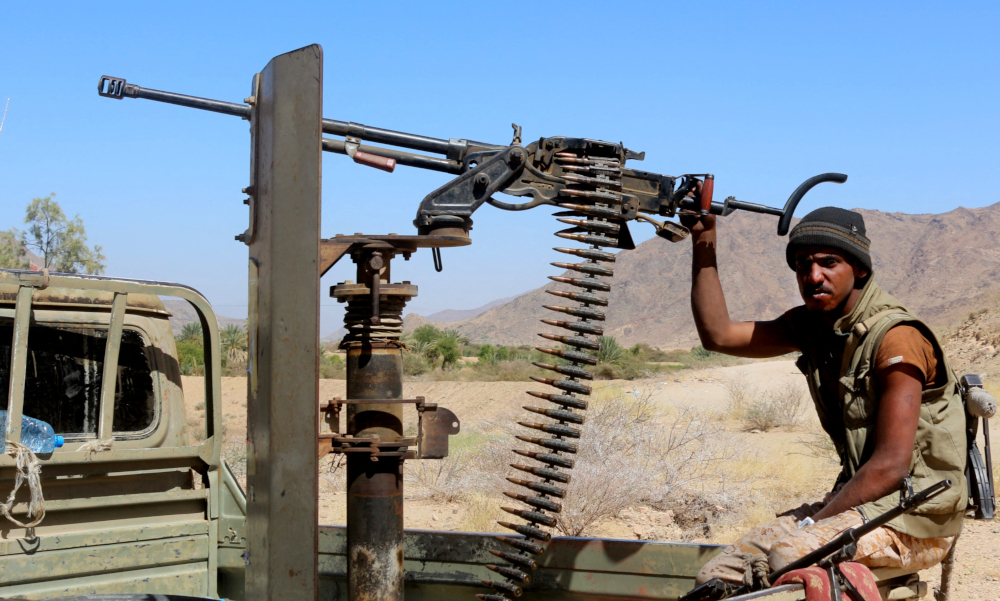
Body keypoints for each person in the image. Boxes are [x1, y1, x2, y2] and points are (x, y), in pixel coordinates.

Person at [682, 203, 968, 587]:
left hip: (917, 517)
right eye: (802, 265)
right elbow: (718, 335)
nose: (813, 276)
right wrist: (704, 238)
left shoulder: (897, 337)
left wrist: (814, 522)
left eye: (828, 263)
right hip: (861, 504)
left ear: (860, 269)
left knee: (789, 557)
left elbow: (890, 466)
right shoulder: (813, 325)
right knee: (720, 575)